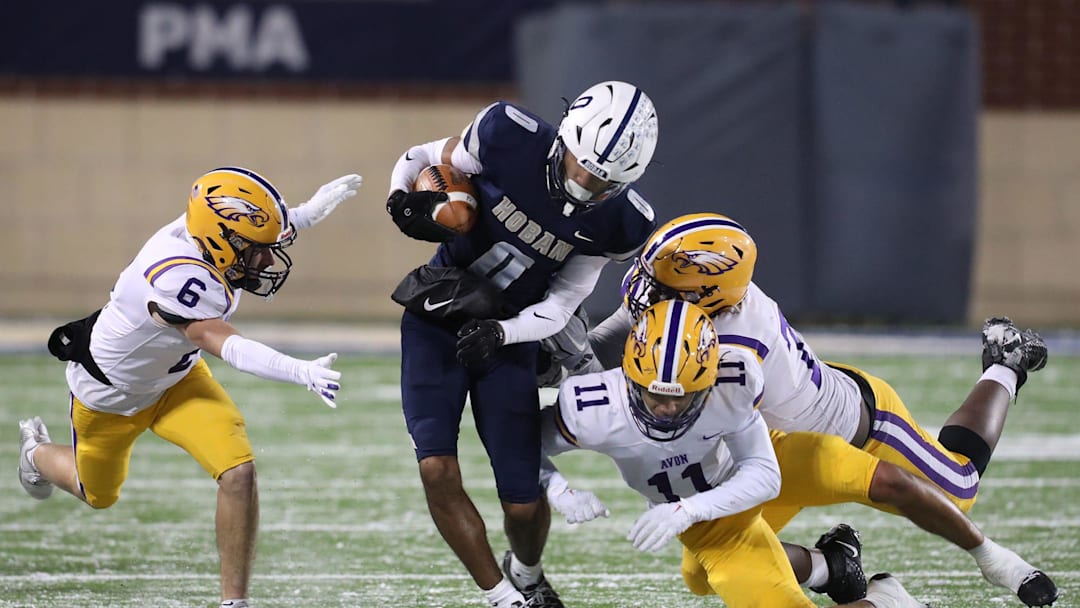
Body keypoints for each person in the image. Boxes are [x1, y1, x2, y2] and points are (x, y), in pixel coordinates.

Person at [547, 212, 1058, 607]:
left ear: (709, 296)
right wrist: (564, 352)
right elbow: (622, 347)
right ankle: (830, 566)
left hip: (854, 427)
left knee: (960, 490)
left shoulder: (734, 348)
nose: (646, 292)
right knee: (701, 572)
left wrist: (570, 364)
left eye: (663, 288)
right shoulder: (695, 313)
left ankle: (1004, 364)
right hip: (771, 449)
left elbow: (649, 395)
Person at [17, 166, 362, 608]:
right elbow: (226, 345)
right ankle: (35, 454)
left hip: (178, 382)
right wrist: (297, 370)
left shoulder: (210, 236)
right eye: (258, 252)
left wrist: (306, 214)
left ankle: (234, 603)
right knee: (97, 493)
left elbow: (250, 232)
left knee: (239, 471)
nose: (268, 262)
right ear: (221, 240)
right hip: (111, 397)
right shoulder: (177, 275)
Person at [384, 80, 659, 608]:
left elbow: (558, 307)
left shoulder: (622, 222)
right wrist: (401, 199)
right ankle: (502, 598)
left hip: (510, 336)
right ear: (566, 140)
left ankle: (527, 573)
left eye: (603, 181)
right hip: (438, 312)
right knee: (436, 466)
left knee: (524, 503)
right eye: (582, 166)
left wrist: (503, 333)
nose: (585, 185)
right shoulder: (507, 134)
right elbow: (419, 155)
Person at [540, 298, 930, 608]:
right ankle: (830, 566)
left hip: (749, 479)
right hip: (707, 512)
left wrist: (686, 509)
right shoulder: (591, 406)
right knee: (698, 577)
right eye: (653, 392)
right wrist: (558, 488)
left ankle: (887, 601)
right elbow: (517, 445)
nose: (666, 408)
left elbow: (763, 474)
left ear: (710, 378)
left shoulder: (734, 381)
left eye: (684, 395)